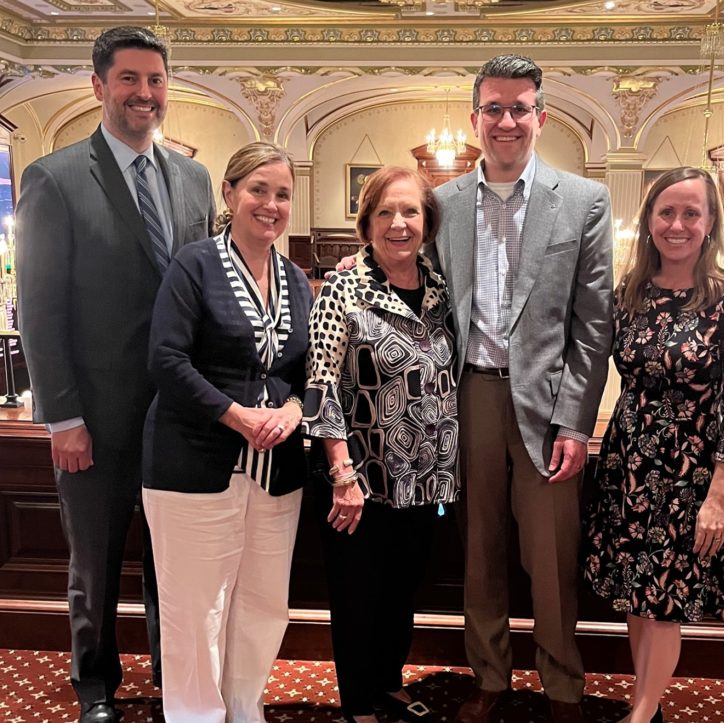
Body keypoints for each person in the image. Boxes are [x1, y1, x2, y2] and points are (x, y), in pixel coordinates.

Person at [15, 25, 215, 723]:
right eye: (129, 79)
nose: (144, 93)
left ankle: (173, 672)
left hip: (180, 418)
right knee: (95, 566)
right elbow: (37, 310)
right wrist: (62, 416)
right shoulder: (55, 177)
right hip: (94, 418)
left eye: (155, 80)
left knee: (173, 563)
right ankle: (95, 684)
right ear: (98, 86)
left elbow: (205, 290)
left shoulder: (193, 178)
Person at [436, 55, 614, 723]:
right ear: (475, 118)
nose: (505, 120)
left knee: (551, 554)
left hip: (549, 408)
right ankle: (490, 675)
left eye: (519, 108)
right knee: (479, 548)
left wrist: (576, 421)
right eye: (493, 108)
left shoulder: (585, 200)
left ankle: (563, 684)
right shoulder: (443, 203)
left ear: (541, 116)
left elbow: (594, 324)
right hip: (470, 396)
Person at [582, 166, 724, 723]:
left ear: (710, 223)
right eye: (667, 212)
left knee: (663, 603)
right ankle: (647, 704)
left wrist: (721, 493)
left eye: (691, 212)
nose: (677, 224)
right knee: (640, 594)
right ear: (649, 221)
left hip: (689, 472)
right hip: (629, 461)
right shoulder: (630, 292)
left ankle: (640, 715)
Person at [142, 142, 311, 723]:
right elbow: (167, 360)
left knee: (264, 605)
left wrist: (291, 413)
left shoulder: (296, 279)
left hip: (275, 471)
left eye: (283, 194)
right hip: (194, 462)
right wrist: (236, 416)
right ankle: (194, 715)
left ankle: (245, 708)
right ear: (230, 194)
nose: (271, 204)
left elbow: (305, 373)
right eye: (259, 190)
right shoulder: (194, 265)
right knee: (195, 612)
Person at [303, 166, 459, 723]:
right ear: (367, 222)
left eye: (411, 212)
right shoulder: (344, 289)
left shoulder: (441, 291)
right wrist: (343, 475)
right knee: (358, 597)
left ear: (427, 222)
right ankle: (357, 702)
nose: (399, 224)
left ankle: (389, 682)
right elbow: (320, 386)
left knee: (401, 593)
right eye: (386, 213)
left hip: (425, 477)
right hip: (362, 480)